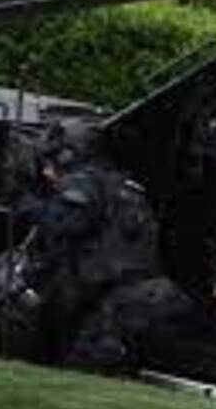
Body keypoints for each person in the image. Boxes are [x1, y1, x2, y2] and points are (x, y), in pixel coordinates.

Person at [18, 119, 193, 374]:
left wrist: (25, 202)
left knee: (78, 375)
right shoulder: (122, 185)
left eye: (50, 163)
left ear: (69, 155)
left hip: (119, 309)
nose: (47, 172)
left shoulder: (86, 184)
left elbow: (64, 223)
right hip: (149, 300)